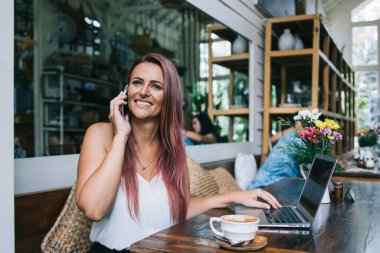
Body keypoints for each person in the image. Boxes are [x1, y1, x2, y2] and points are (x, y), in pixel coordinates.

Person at [76, 53, 281, 252]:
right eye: (137, 82)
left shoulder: (173, 149)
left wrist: (236, 196)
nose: (144, 91)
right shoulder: (100, 134)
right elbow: (94, 209)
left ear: (170, 98)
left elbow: (179, 211)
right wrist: (121, 137)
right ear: (126, 91)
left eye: (156, 86)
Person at [247, 123, 303, 190]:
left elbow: (271, 140)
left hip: (259, 183)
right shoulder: (292, 135)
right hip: (266, 185)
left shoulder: (289, 135)